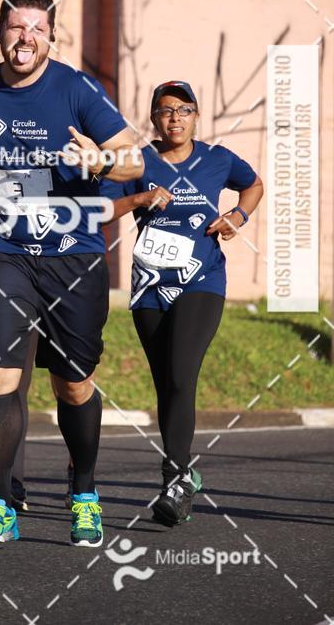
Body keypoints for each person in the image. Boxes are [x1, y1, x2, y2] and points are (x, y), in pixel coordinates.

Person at [0, 0, 143, 547]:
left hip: (74, 257)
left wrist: (101, 160)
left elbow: (133, 159)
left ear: (51, 36)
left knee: (74, 385)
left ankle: (85, 494)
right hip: (5, 251)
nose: (27, 38)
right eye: (17, 28)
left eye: (38, 29)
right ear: (0, 34)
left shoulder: (77, 88)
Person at [103, 80, 263, 527]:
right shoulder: (137, 162)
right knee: (166, 384)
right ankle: (185, 472)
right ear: (153, 118)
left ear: (196, 116)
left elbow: (253, 185)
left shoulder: (217, 159)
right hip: (150, 285)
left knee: (181, 370)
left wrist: (237, 216)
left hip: (202, 280)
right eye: (166, 110)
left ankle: (174, 481)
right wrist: (138, 197)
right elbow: (101, 209)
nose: (175, 117)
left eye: (184, 109)